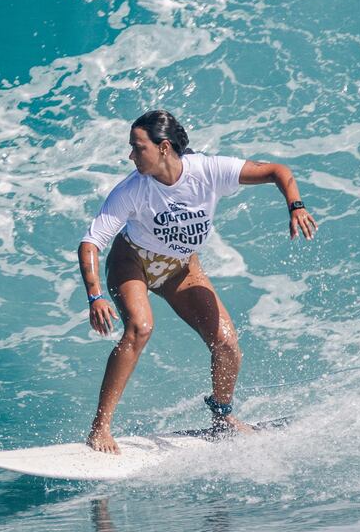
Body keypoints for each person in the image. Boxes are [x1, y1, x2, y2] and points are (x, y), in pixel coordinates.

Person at [76, 108, 316, 453]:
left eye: (137, 147)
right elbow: (90, 244)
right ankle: (100, 428)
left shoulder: (208, 171)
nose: (130, 155)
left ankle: (222, 417)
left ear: (163, 147)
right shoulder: (132, 190)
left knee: (227, 344)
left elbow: (278, 171)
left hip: (181, 268)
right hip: (133, 262)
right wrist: (95, 297)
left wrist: (296, 206)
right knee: (140, 328)